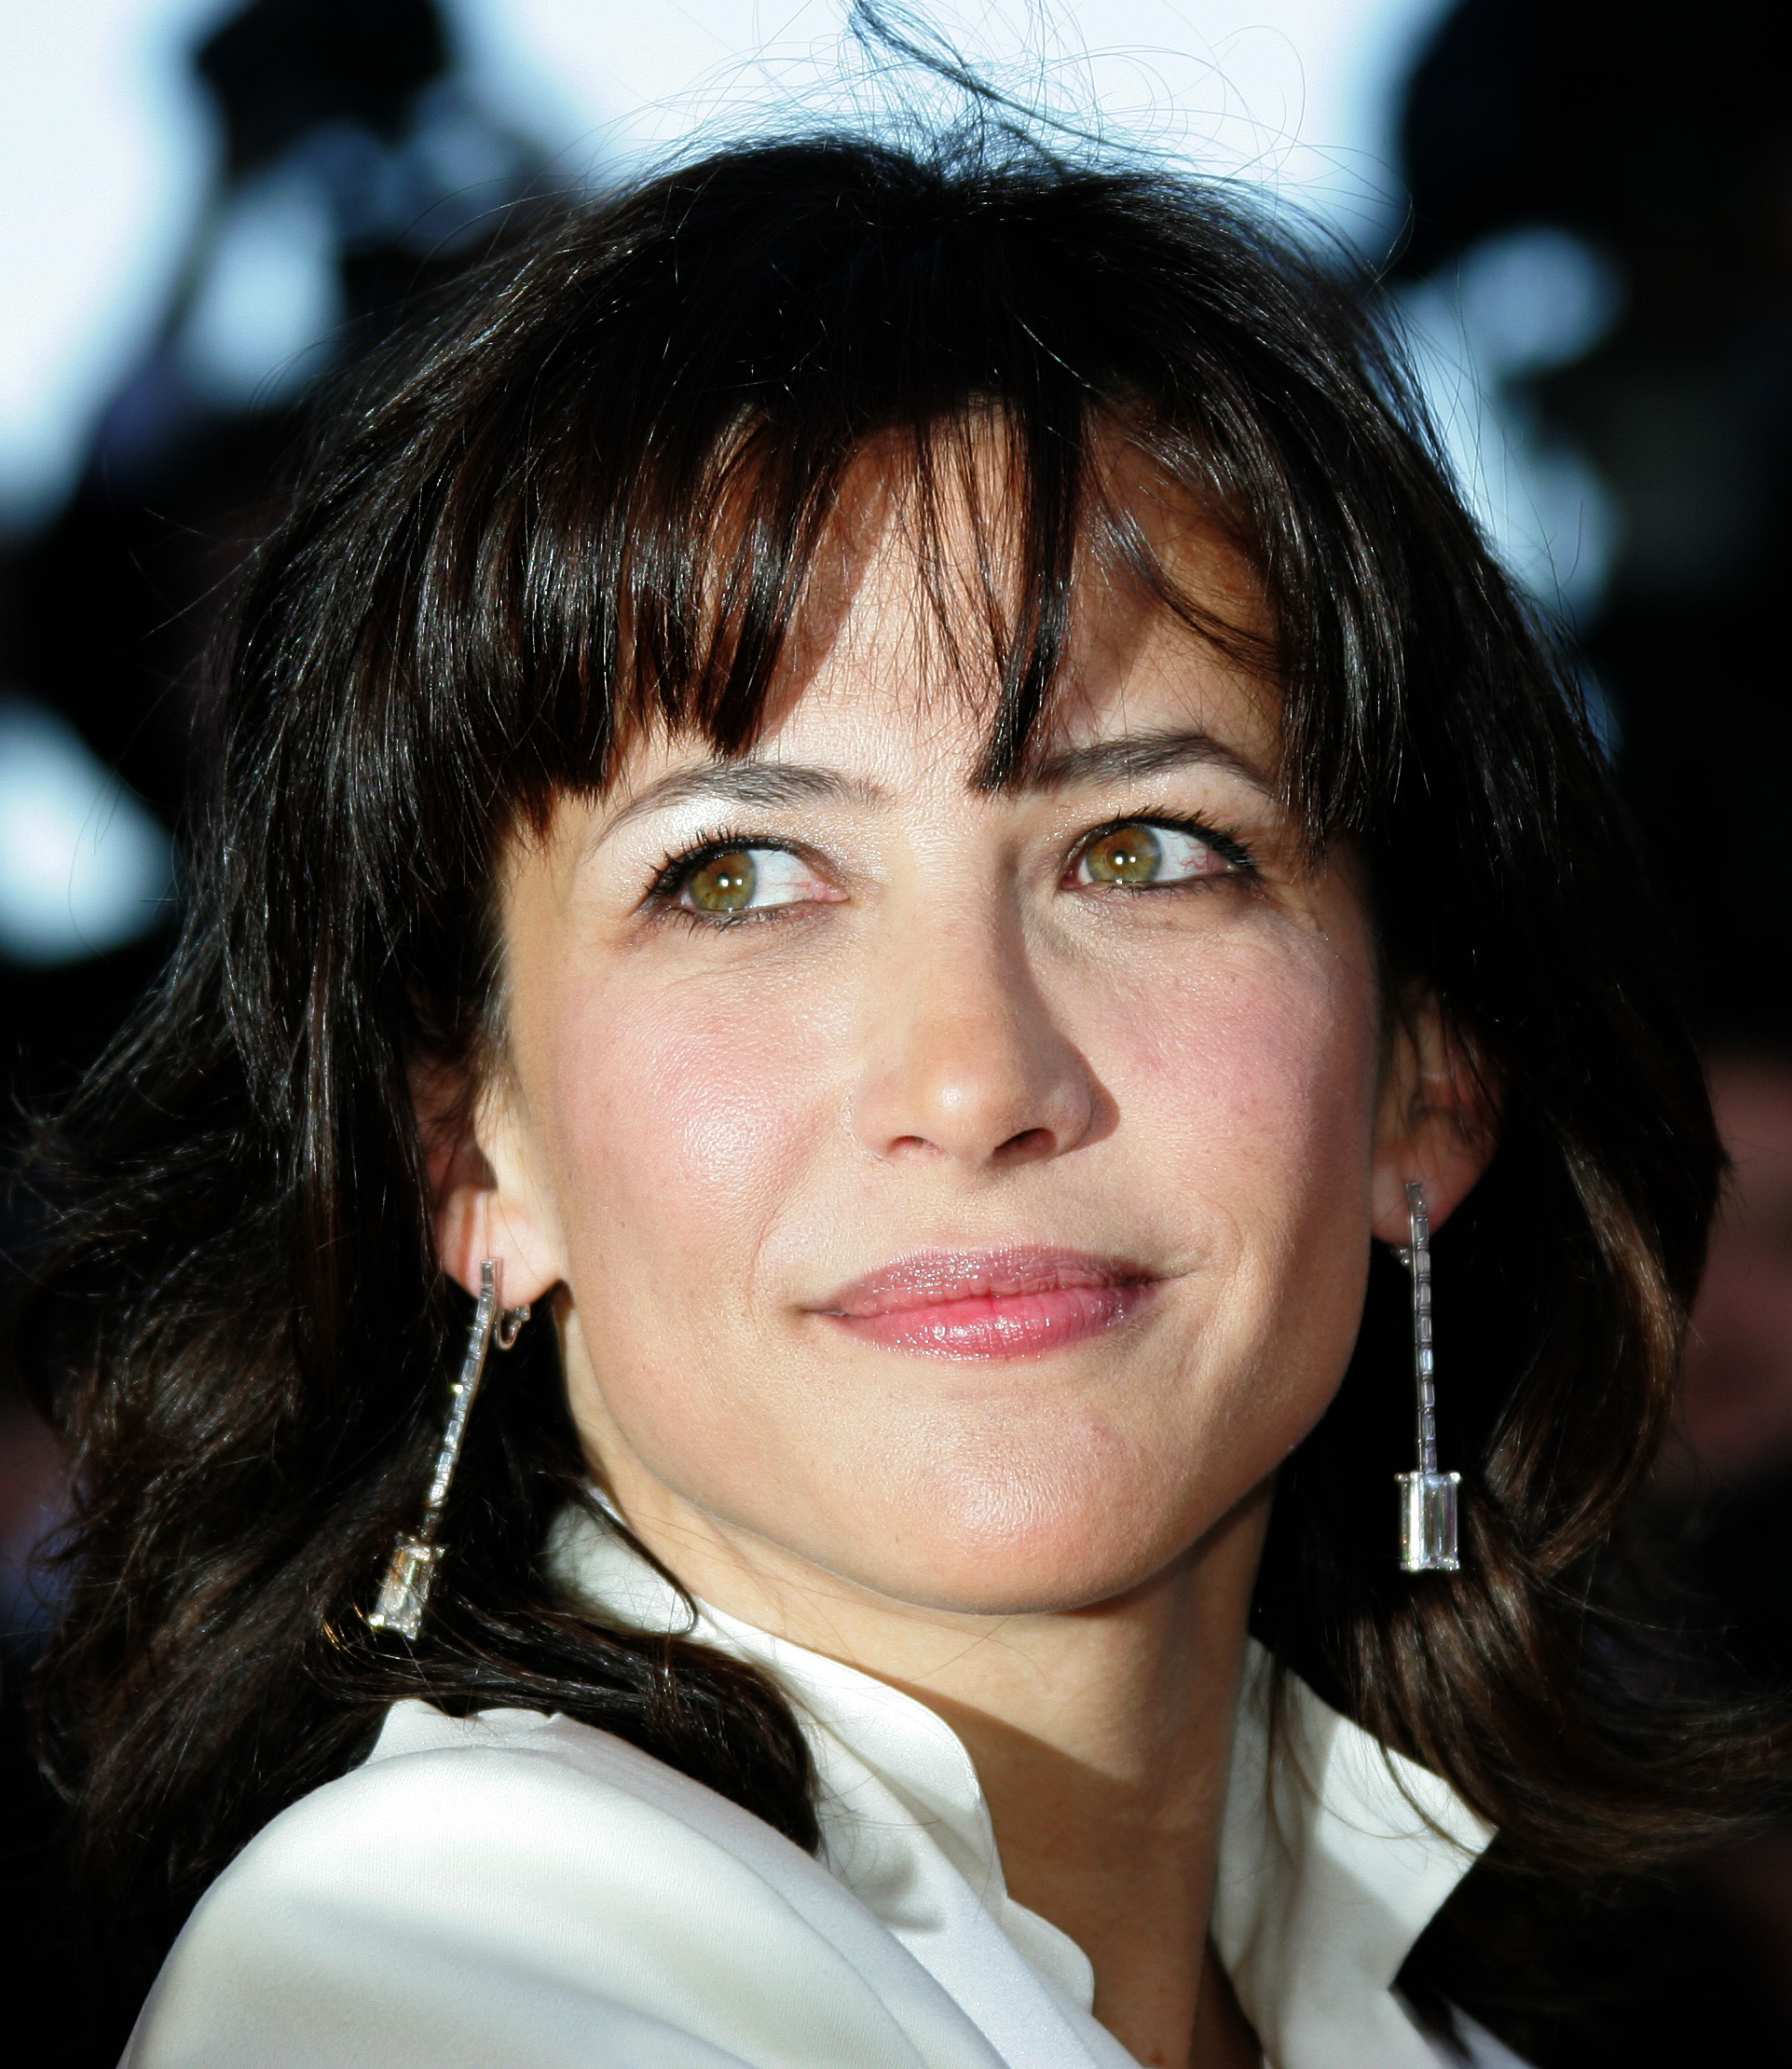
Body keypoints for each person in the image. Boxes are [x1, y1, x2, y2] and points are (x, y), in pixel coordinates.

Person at [10, 123, 1772, 2069]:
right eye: (736, 879)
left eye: (1143, 852)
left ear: (1426, 1078)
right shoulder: (420, 1974)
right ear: (467, 1149)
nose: (973, 1076)